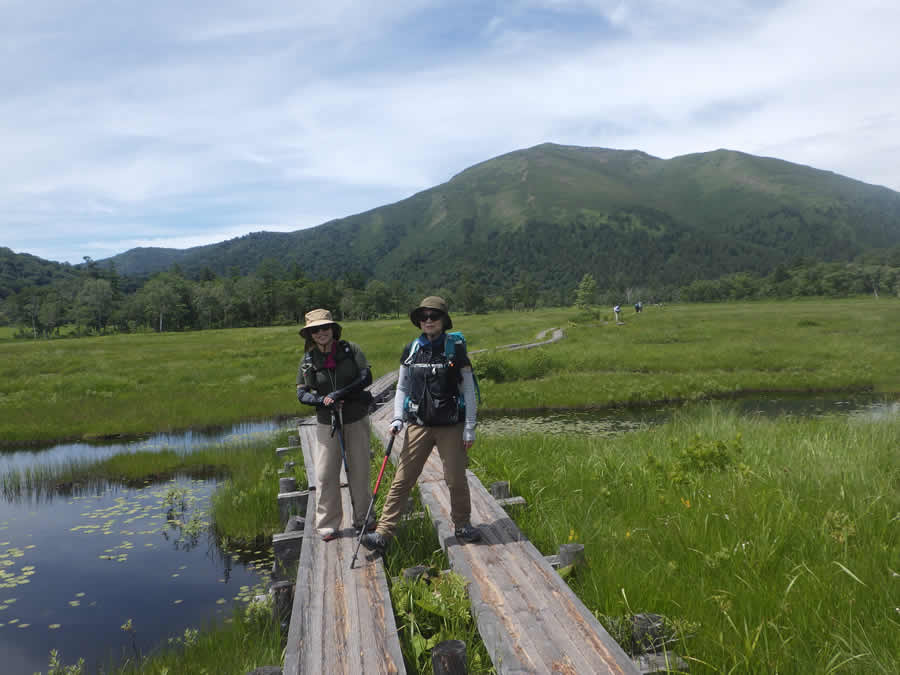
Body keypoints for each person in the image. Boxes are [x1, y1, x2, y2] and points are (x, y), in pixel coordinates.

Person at [361, 296, 481, 555]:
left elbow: (468, 391)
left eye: (433, 316)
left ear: (443, 321)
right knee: (402, 479)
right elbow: (402, 387)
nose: (428, 321)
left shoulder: (455, 350)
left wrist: (469, 427)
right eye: (424, 316)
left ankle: (462, 525)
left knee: (455, 478)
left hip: (451, 425)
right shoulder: (412, 349)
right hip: (418, 425)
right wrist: (396, 417)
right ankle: (382, 533)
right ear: (419, 321)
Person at [296, 309, 374, 541]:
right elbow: (302, 393)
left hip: (355, 417)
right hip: (325, 422)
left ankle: (364, 518)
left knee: (360, 470)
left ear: (333, 329)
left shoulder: (351, 349)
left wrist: (341, 393)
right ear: (310, 334)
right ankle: (328, 523)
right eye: (315, 330)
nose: (321, 332)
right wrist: (322, 400)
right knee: (325, 473)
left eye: (325, 328)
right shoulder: (308, 360)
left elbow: (366, 377)